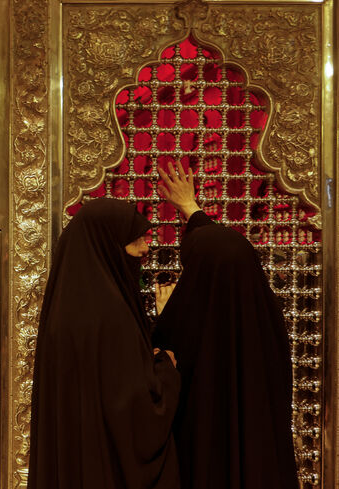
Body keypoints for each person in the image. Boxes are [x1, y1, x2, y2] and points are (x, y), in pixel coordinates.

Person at [153, 162, 298, 489]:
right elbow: (227, 251)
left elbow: (162, 379)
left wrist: (164, 317)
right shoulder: (265, 323)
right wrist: (192, 211)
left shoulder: (187, 323)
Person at [27, 198, 181, 489]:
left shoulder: (64, 308)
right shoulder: (111, 316)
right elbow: (138, 414)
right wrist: (166, 369)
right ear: (106, 244)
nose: (145, 248)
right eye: (135, 239)